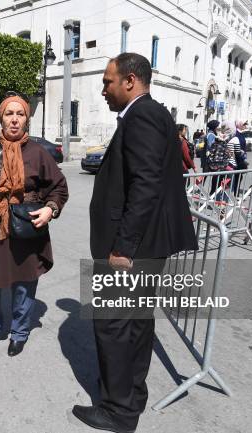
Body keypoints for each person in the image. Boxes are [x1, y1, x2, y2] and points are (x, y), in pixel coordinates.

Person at [72, 53, 197, 433]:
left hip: (134, 248)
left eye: (108, 82)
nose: (103, 89)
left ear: (129, 81)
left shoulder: (141, 115)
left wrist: (123, 246)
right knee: (137, 324)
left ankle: (117, 410)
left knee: (113, 325)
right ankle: (130, 395)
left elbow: (145, 184)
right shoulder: (154, 113)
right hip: (148, 244)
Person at [0, 93, 68, 357]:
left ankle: (19, 332)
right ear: (1, 119)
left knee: (24, 284)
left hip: (25, 226)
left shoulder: (38, 153)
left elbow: (58, 187)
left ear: (26, 119)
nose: (14, 120)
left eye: (19, 114)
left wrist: (50, 209)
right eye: (9, 114)